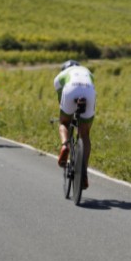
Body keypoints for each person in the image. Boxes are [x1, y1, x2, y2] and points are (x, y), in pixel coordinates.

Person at [54, 60, 96, 189]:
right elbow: (92, 86)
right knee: (85, 134)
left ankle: (65, 146)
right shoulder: (88, 72)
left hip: (70, 89)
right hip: (89, 92)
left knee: (64, 123)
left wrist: (67, 116)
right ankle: (83, 173)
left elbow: (60, 100)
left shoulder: (60, 77)